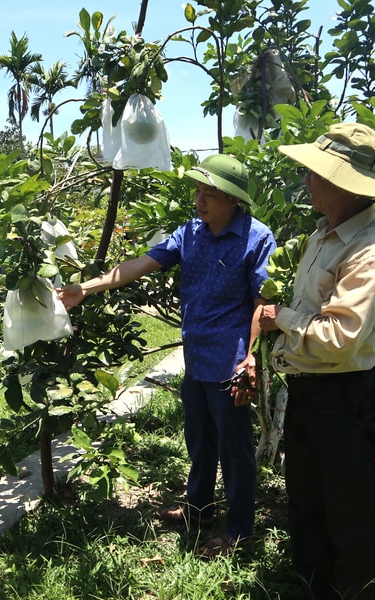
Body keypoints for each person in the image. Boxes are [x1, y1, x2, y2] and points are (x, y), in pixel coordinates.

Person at [57, 154, 276, 558]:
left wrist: (252, 360)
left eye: (210, 194)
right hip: (197, 358)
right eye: (198, 191)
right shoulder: (190, 233)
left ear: (233, 200)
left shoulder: (256, 238)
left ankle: (240, 528)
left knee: (235, 450)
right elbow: (141, 264)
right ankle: (200, 510)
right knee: (199, 441)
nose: (200, 200)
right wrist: (87, 288)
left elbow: (263, 305)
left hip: (231, 363)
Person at [258, 122, 375, 599]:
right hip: (309, 387)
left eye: (315, 175)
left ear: (342, 183)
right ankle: (315, 583)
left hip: (342, 393)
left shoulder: (370, 252)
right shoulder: (325, 235)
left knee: (350, 504)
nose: (307, 183)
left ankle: (365, 591)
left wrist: (283, 319)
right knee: (307, 494)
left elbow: (340, 337)